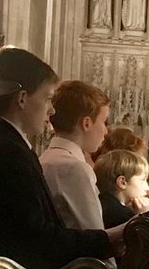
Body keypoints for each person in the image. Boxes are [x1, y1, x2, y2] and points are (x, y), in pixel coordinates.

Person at [0, 47, 124, 269]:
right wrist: (112, 239)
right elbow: (35, 242)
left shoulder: (6, 143)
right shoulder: (6, 151)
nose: (52, 110)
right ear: (22, 99)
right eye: (48, 98)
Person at [39, 81, 111, 230]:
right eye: (104, 121)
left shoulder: (45, 158)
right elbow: (94, 234)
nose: (106, 131)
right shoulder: (74, 167)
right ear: (86, 123)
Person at [94, 149, 149, 228]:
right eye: (142, 180)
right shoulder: (118, 215)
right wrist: (145, 216)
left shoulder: (102, 204)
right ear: (122, 182)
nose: (147, 188)